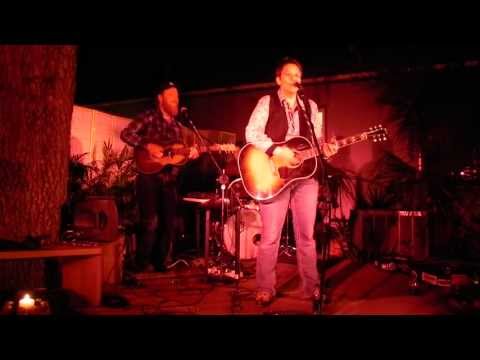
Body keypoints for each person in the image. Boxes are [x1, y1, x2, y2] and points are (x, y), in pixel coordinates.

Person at [245, 57, 338, 305]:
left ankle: (311, 286)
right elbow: (252, 133)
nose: (296, 78)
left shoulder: (311, 105)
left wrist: (326, 149)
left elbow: (316, 141)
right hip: (274, 175)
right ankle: (265, 287)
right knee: (271, 236)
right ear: (278, 79)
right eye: (289, 74)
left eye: (298, 74)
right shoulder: (267, 102)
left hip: (306, 177)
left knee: (307, 236)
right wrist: (278, 151)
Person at [120, 81, 199, 272]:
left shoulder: (179, 127)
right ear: (160, 99)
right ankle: (141, 264)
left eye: (177, 98)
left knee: (169, 223)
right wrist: (147, 145)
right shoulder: (149, 117)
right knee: (150, 221)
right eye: (172, 98)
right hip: (148, 176)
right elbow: (126, 133)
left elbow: (176, 157)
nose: (176, 101)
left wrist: (191, 153)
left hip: (170, 180)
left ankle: (160, 263)